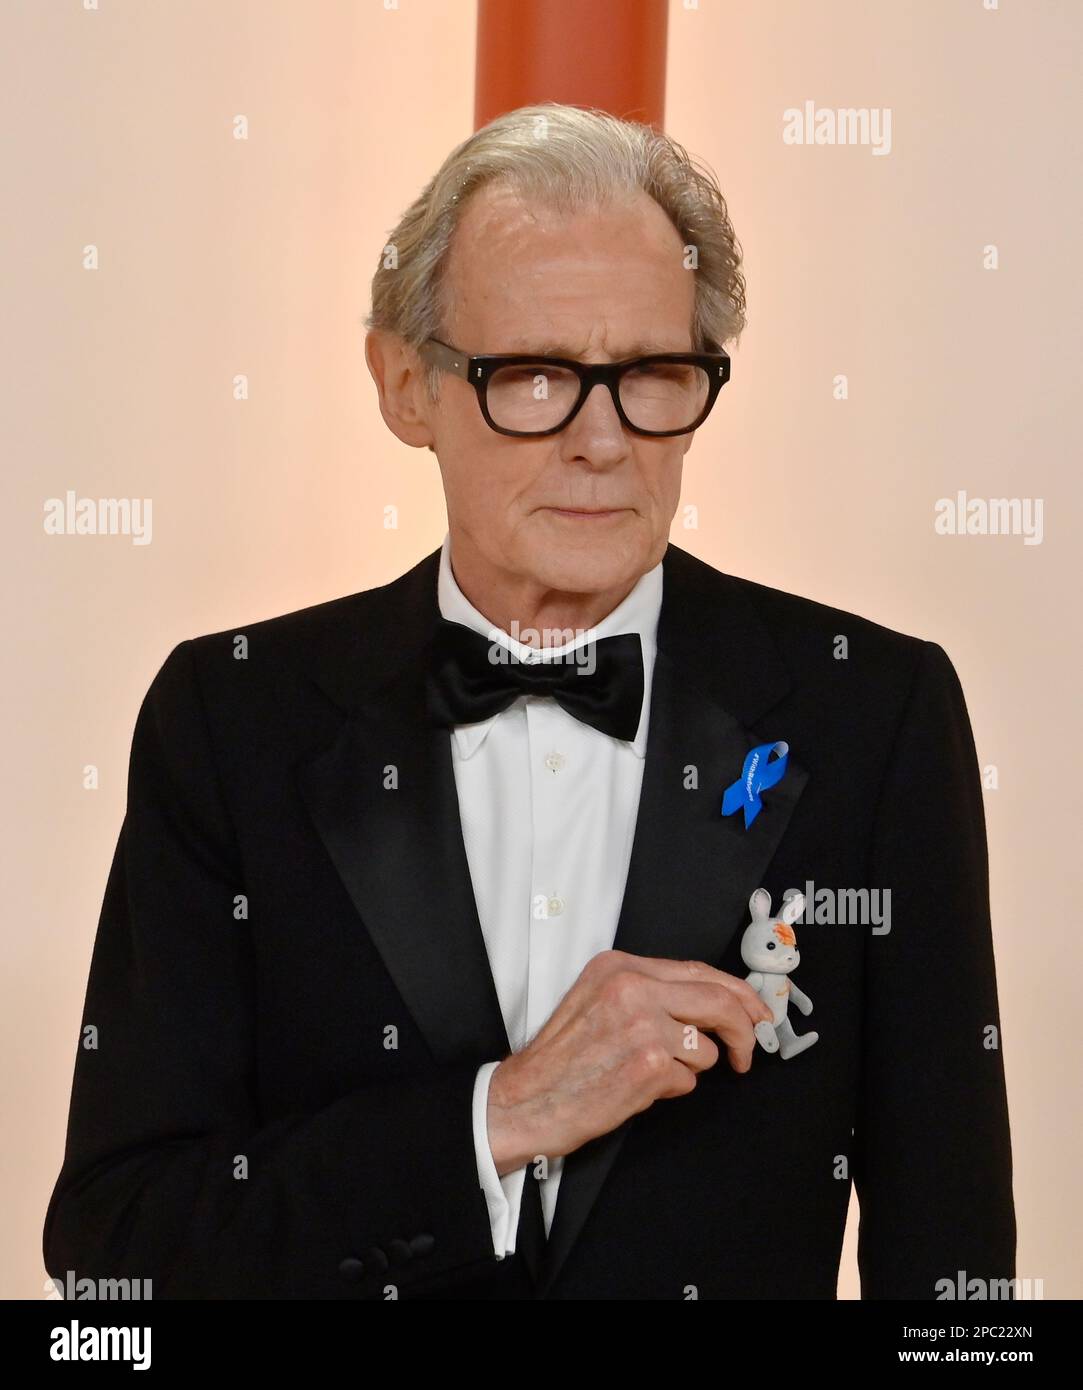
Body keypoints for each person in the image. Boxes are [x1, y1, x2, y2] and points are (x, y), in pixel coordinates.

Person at [43, 103, 1016, 1299]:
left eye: (654, 374)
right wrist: (493, 1120)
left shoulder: (876, 711)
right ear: (406, 387)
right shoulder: (229, 717)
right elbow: (116, 1253)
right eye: (538, 377)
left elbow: (955, 1272)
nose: (604, 439)